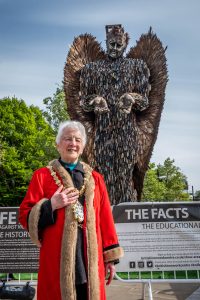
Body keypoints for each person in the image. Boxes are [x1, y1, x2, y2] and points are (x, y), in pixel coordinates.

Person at [19, 120, 124, 300]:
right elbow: (24, 215)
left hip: (89, 258)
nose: (73, 144)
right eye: (67, 139)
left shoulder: (96, 179)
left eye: (77, 140)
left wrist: (110, 258)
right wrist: (51, 205)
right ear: (58, 144)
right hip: (56, 259)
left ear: (82, 147)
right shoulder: (42, 176)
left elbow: (105, 219)